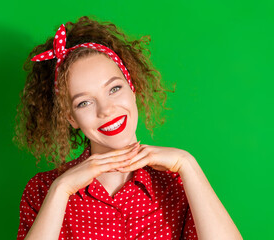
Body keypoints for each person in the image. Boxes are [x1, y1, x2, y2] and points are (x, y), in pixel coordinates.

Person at [13, 16, 242, 240]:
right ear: (71, 118)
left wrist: (188, 163)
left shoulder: (177, 182)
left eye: (114, 89)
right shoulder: (43, 190)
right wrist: (60, 190)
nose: (106, 110)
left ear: (132, 88)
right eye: (84, 102)